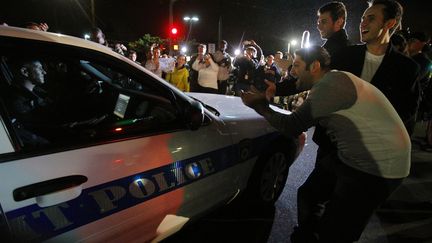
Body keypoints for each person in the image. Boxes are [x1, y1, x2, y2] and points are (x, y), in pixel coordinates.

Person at [241, 46, 410, 243]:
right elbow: (297, 89)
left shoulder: (329, 87)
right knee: (310, 195)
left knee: (337, 231)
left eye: (296, 65)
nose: (292, 71)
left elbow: (291, 126)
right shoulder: (334, 78)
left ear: (315, 66)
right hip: (353, 156)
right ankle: (308, 235)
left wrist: (259, 105)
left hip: (377, 168)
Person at [332, 0, 420, 136]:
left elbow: (406, 111)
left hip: (373, 147)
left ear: (389, 23)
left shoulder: (407, 68)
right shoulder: (345, 55)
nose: (363, 23)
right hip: (333, 143)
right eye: (363, 18)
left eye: (371, 19)